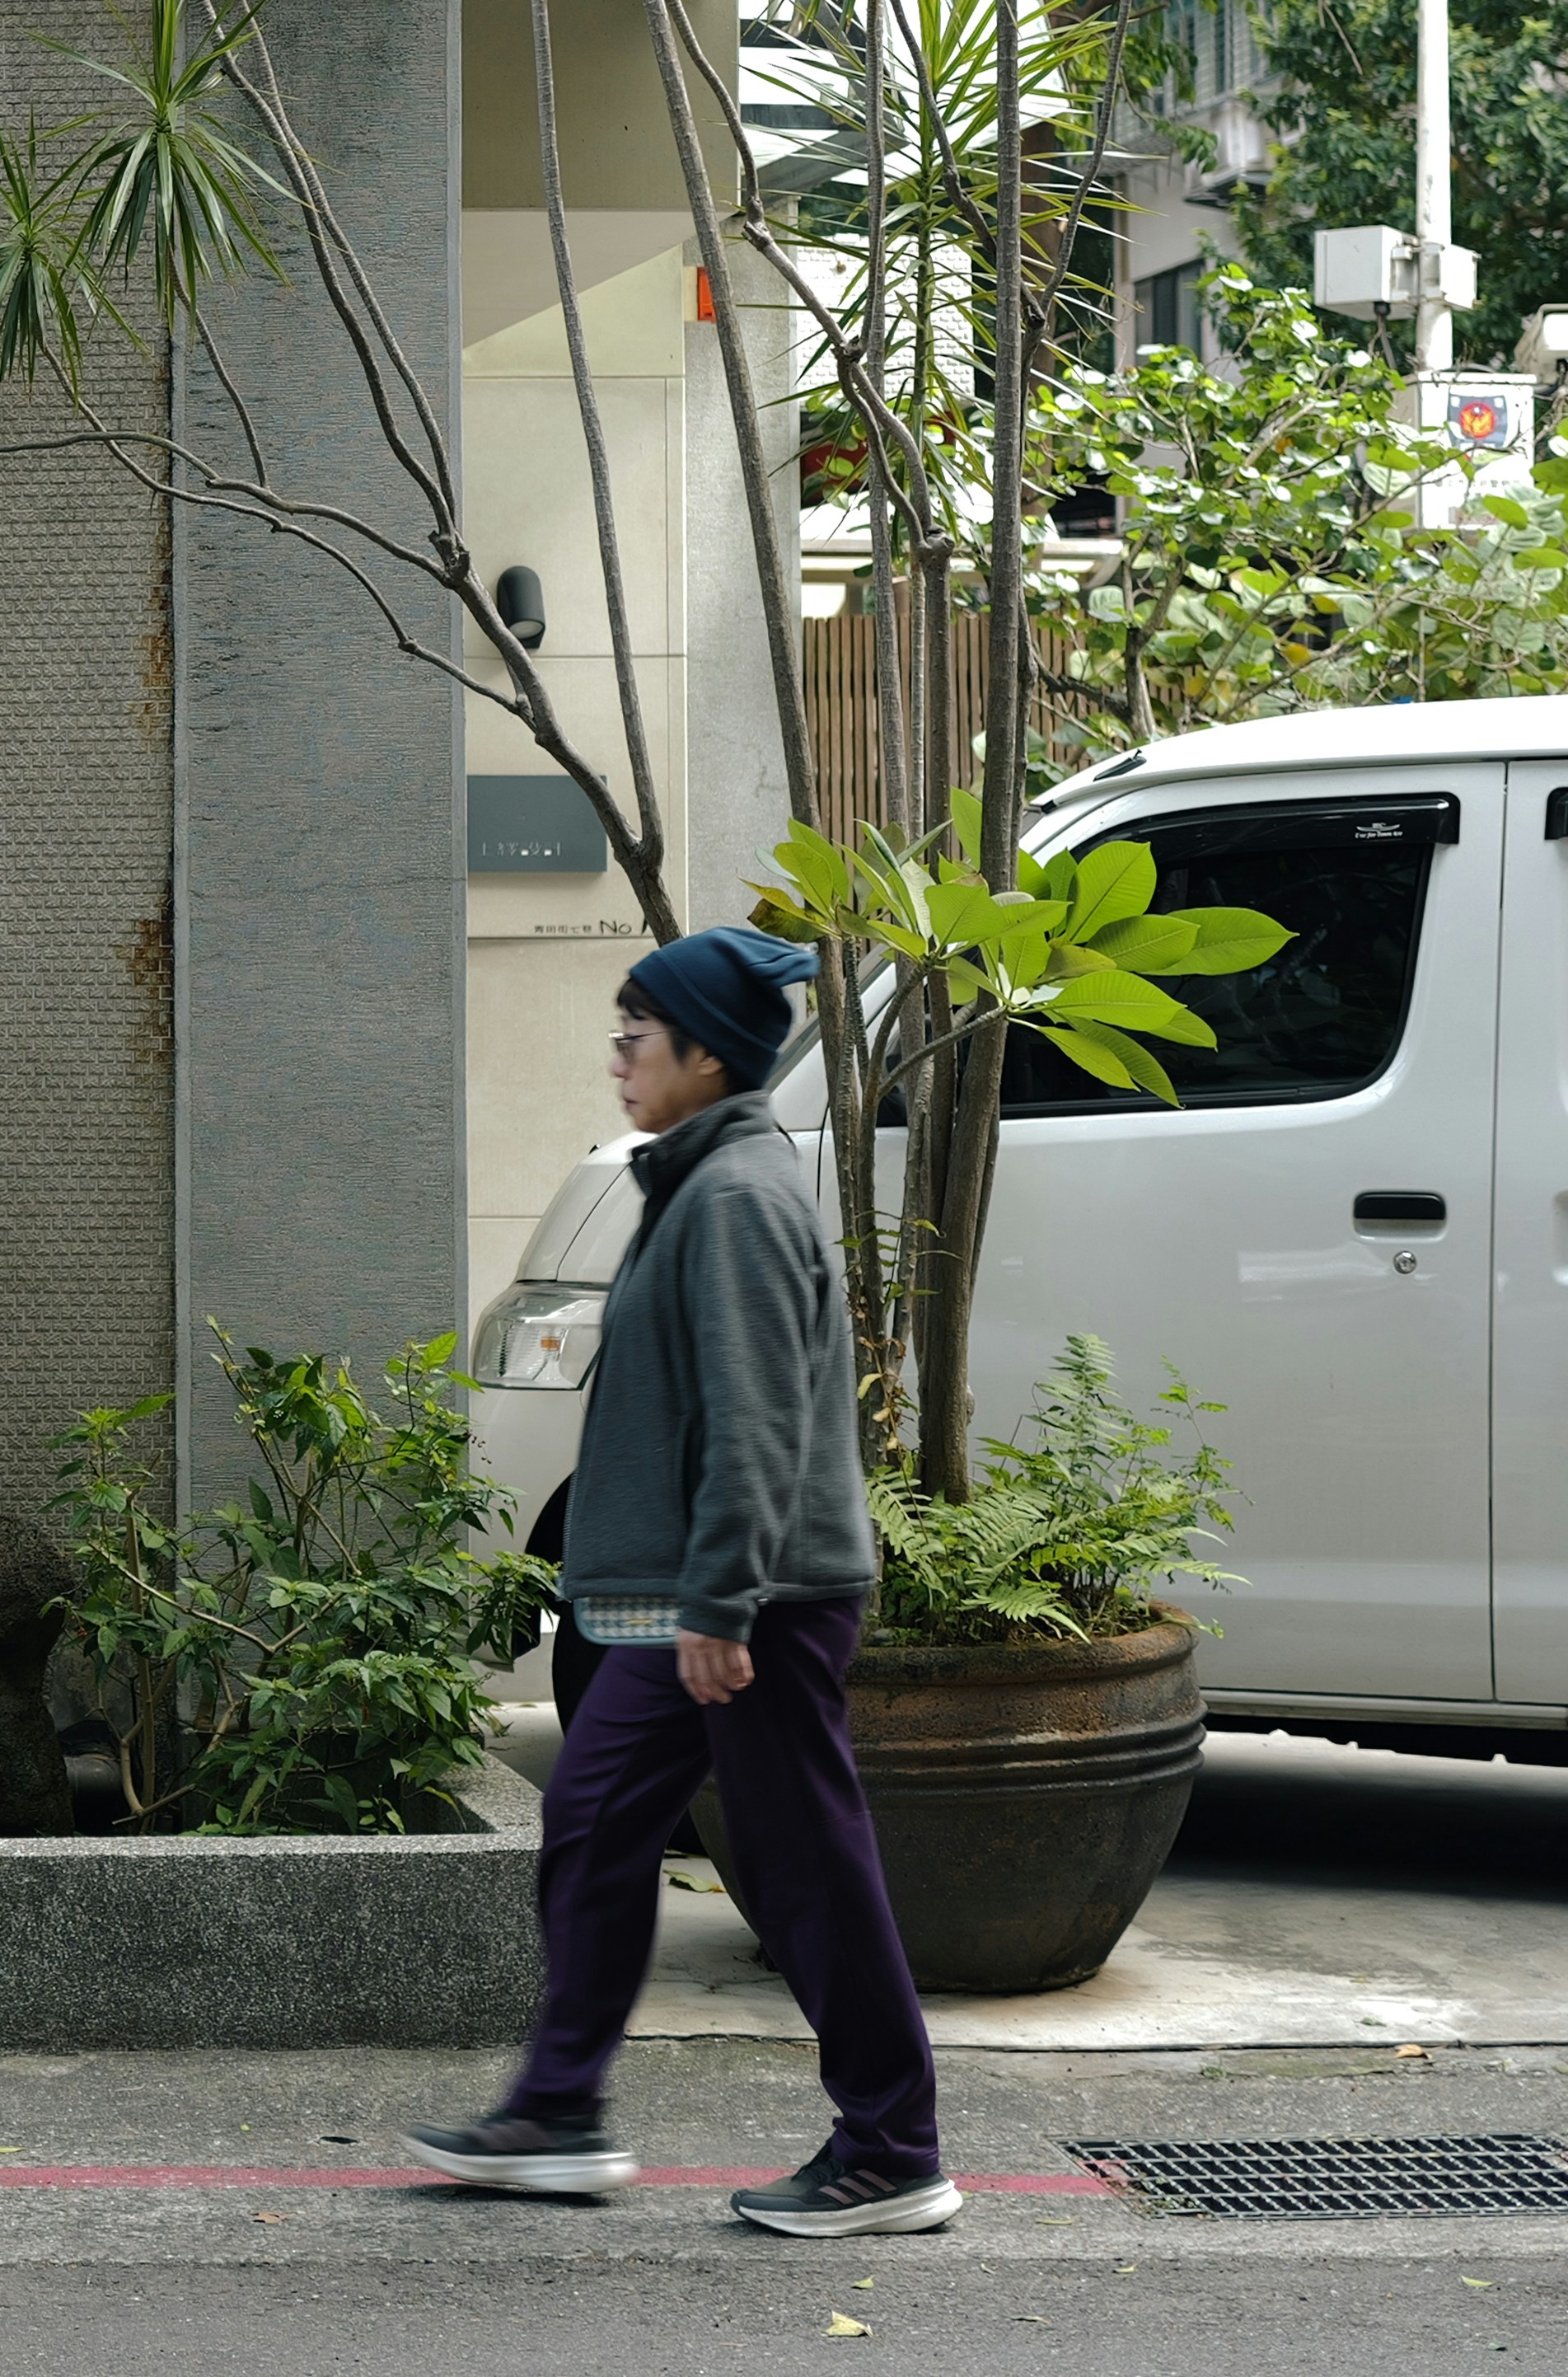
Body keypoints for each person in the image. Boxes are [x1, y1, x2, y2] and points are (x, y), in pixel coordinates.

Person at [403, 921, 952, 2237]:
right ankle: (558, 2111)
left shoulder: (737, 1201)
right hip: (687, 1604)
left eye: (634, 1037)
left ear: (706, 1055)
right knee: (593, 1825)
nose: (615, 1059)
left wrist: (721, 1603)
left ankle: (891, 2147)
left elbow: (757, 1421)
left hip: (751, 1604)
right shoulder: (693, 1183)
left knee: (802, 1865)